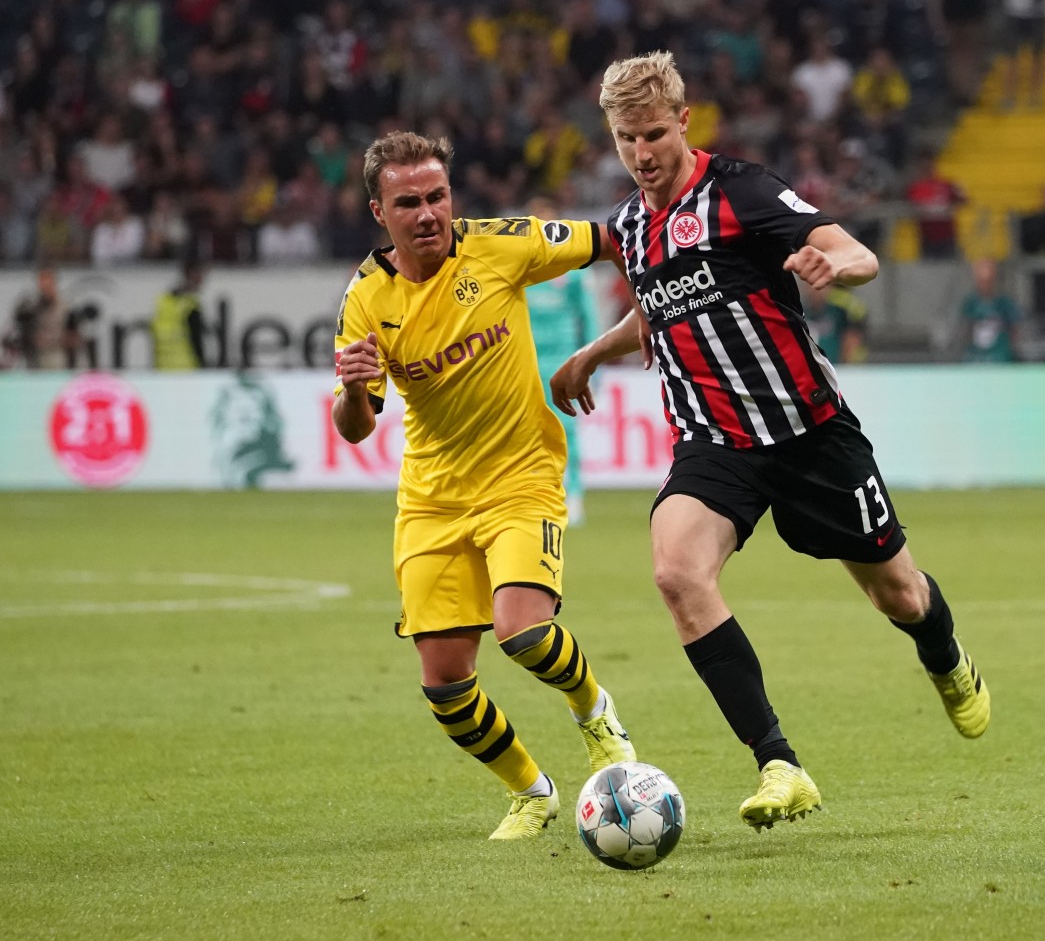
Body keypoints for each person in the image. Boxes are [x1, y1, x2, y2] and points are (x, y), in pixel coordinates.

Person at [551, 51, 990, 832]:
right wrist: (594, 351)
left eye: (654, 133)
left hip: (810, 434)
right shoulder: (628, 225)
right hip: (715, 442)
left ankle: (947, 659)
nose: (642, 153)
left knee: (900, 594)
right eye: (626, 139)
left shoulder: (741, 191)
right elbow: (658, 305)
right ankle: (779, 762)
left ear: (684, 121)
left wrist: (835, 265)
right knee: (676, 572)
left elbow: (858, 252)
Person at [332, 130, 636, 842]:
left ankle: (595, 713)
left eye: (437, 196)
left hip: (520, 473)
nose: (428, 213)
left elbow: (612, 237)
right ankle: (532, 792)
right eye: (408, 202)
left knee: (523, 630)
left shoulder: (502, 244)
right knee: (445, 686)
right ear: (380, 212)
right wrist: (349, 391)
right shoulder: (365, 301)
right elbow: (356, 426)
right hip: (432, 498)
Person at [523, 193, 603, 525]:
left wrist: (591, 362)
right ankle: (534, 494)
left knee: (567, 430)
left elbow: (590, 316)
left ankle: (576, 495)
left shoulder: (573, 269)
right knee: (527, 433)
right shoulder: (522, 269)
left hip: (563, 360)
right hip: (524, 364)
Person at [959, 258, 1020, 362]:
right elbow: (966, 329)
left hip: (1000, 356)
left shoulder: (1004, 303)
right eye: (981, 281)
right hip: (976, 357)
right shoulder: (970, 304)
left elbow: (1015, 330)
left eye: (988, 281)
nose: (985, 285)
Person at [152, 259, 206, 369]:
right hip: (186, 368)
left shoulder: (163, 301)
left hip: (162, 367)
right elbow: (196, 342)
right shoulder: (190, 305)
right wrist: (203, 365)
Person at [803, 282, 868, 364]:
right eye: (809, 285)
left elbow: (851, 339)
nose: (814, 290)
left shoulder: (839, 311)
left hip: (836, 366)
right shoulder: (800, 312)